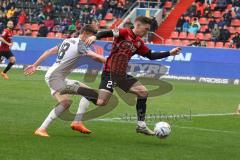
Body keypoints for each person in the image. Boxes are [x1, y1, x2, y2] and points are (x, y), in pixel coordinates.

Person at [60, 16, 181, 136]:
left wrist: (170, 53)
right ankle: (77, 89)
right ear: (137, 25)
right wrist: (94, 36)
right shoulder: (124, 32)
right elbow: (107, 32)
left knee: (143, 93)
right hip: (111, 72)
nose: (146, 32)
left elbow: (150, 55)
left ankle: (141, 125)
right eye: (145, 29)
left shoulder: (139, 42)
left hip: (121, 74)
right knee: (101, 102)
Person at [24, 25, 106, 137]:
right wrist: (109, 61)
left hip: (57, 76)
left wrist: (35, 65)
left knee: (89, 93)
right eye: (92, 37)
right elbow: (93, 56)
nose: (92, 40)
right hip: (55, 77)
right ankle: (41, 129)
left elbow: (49, 51)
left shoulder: (68, 40)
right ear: (85, 34)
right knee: (65, 102)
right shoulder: (80, 44)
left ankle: (77, 122)